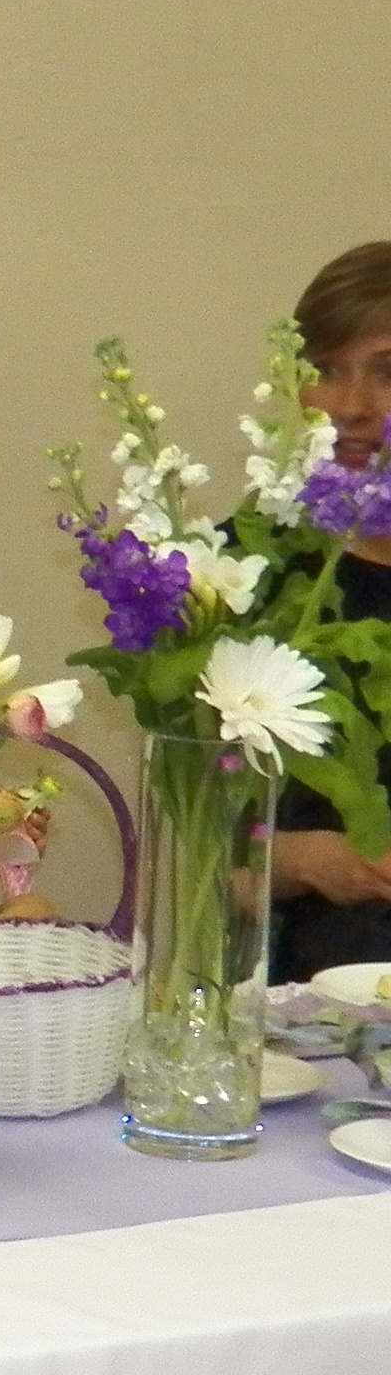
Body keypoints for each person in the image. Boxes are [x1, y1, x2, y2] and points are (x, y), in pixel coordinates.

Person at [269, 241, 391, 981]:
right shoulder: (239, 575)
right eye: (326, 371)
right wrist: (308, 860)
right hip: (286, 993)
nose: (351, 407)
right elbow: (186, 850)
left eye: (387, 372)